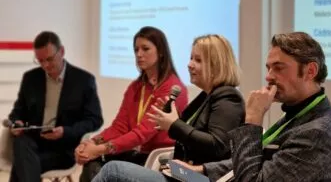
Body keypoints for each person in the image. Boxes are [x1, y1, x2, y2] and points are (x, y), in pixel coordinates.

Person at [143, 31, 331, 182]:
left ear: (310, 71)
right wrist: (203, 170)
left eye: (279, 68)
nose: (268, 76)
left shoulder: (318, 133)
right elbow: (260, 160)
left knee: (115, 171)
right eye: (268, 68)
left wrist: (252, 121)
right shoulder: (298, 115)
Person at [91, 34, 245, 182]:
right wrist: (171, 120)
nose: (189, 64)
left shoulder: (228, 98)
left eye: (198, 60)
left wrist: (174, 124)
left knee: (113, 171)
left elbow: (216, 145)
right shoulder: (206, 96)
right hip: (181, 173)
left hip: (198, 178)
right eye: (191, 58)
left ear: (216, 65)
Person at [76, 26, 189, 182]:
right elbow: (119, 126)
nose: (139, 54)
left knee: (101, 160)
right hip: (138, 153)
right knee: (92, 161)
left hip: (159, 159)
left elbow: (143, 133)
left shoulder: (172, 89)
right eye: (136, 50)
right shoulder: (136, 87)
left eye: (145, 49)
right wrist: (92, 142)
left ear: (161, 52)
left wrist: (100, 149)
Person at [7, 31, 103, 182]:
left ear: (62, 51)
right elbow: (17, 112)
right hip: (34, 143)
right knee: (21, 144)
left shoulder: (83, 80)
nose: (45, 65)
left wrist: (65, 131)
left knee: (23, 163)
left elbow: (95, 120)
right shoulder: (31, 78)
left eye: (49, 59)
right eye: (40, 60)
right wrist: (17, 122)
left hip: (63, 149)